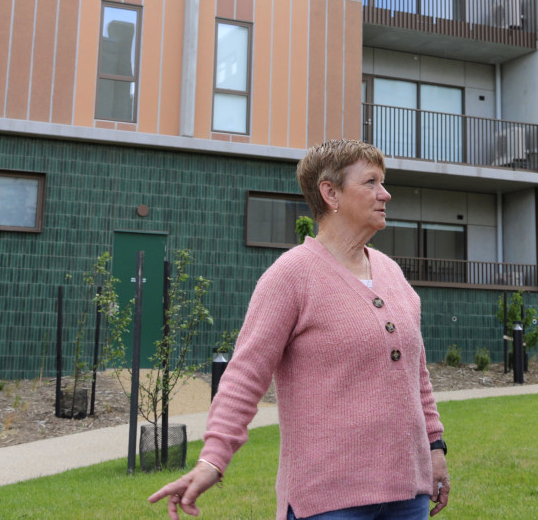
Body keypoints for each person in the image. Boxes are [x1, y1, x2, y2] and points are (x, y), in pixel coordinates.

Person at [149, 139, 450, 520]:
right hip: (327, 501)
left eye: (383, 182)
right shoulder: (291, 276)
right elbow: (244, 377)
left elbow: (416, 376)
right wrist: (212, 460)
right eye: (371, 182)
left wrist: (435, 449)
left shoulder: (392, 273)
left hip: (408, 494)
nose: (385, 194)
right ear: (331, 193)